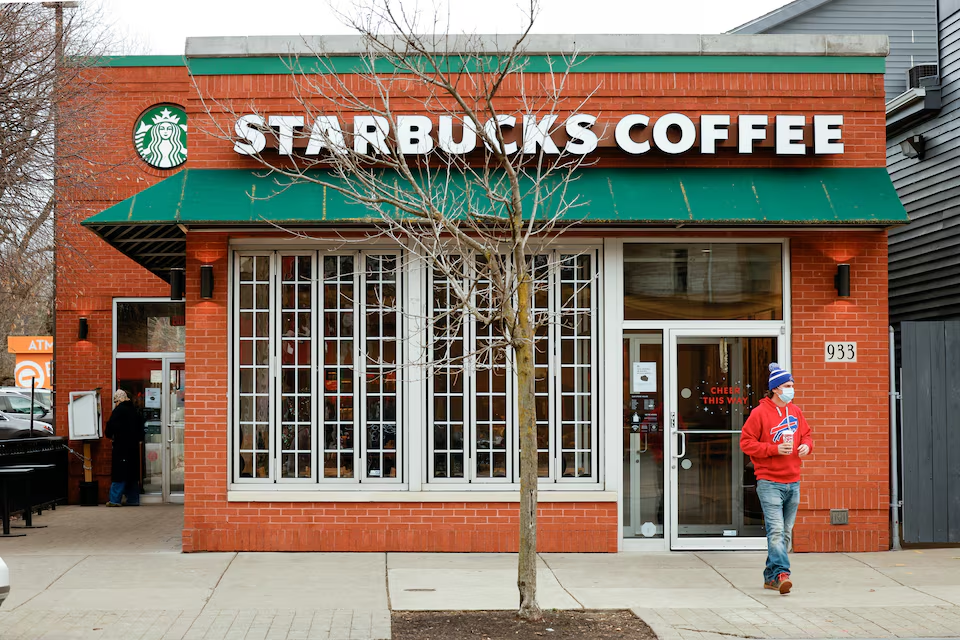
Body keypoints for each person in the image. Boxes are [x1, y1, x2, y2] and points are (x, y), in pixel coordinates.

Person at [739, 362, 813, 595]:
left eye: (792, 385)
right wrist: (773, 449)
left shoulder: (796, 411)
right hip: (769, 482)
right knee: (777, 531)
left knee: (786, 532)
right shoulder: (759, 413)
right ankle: (782, 573)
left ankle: (770, 578)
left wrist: (805, 447)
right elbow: (746, 443)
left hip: (794, 480)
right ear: (777, 389)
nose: (792, 389)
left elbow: (808, 435)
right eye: (788, 385)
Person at [105, 389, 145, 507]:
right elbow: (141, 430)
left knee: (120, 474)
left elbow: (110, 427)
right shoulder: (135, 410)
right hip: (133, 448)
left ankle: (114, 500)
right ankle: (133, 499)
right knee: (132, 475)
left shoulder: (119, 411)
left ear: (118, 400)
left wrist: (110, 435)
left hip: (121, 447)